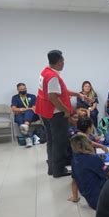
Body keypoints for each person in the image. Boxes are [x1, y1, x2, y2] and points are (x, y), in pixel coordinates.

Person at [36, 50, 88, 178]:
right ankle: (59, 170)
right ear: (59, 62)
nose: (64, 63)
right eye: (63, 60)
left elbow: (62, 91)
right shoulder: (53, 77)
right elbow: (53, 97)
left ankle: (52, 168)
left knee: (51, 141)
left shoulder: (45, 72)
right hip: (55, 114)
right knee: (59, 142)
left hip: (45, 113)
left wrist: (78, 94)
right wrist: (67, 111)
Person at [69, 133, 109, 209]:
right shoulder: (94, 158)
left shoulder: (74, 160)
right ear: (87, 144)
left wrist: (75, 197)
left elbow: (74, 181)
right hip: (103, 200)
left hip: (91, 200)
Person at [11, 82, 39, 147]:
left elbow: (35, 108)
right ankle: (28, 139)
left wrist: (22, 109)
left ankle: (26, 125)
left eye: (24, 88)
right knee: (20, 118)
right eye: (21, 89)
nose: (23, 90)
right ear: (18, 90)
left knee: (29, 111)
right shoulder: (15, 97)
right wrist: (21, 110)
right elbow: (13, 108)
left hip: (32, 116)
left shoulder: (32, 96)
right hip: (20, 115)